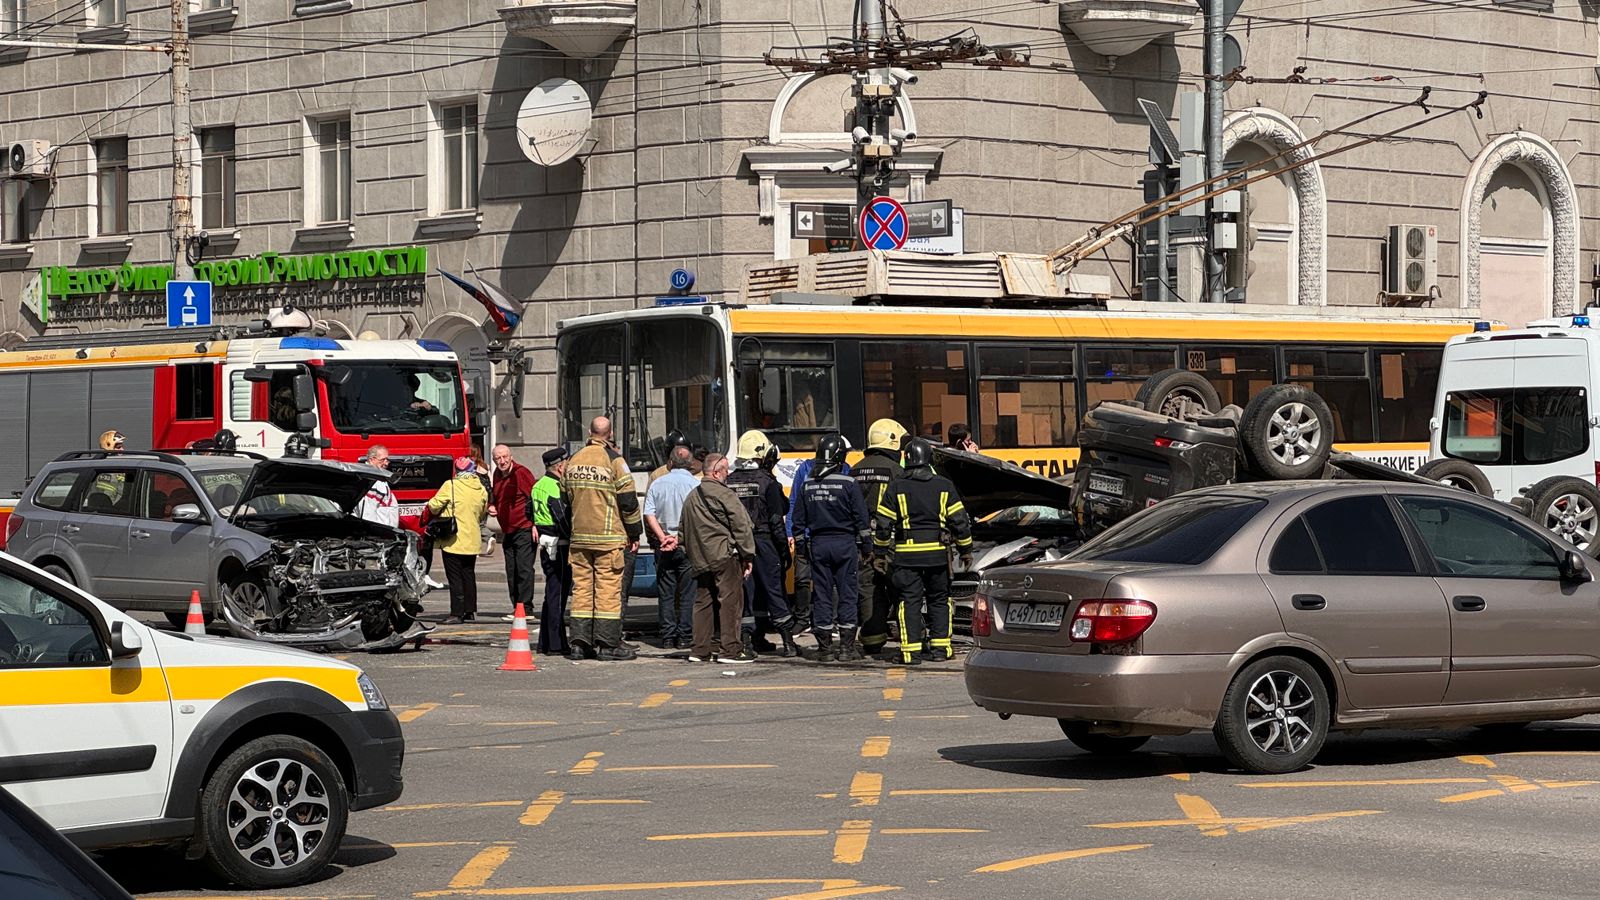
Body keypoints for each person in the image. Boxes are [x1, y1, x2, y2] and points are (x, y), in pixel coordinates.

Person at [874, 437, 974, 665]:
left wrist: (879, 555)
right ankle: (941, 650)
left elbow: (882, 525)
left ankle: (911, 653)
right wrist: (966, 550)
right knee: (940, 600)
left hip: (906, 558)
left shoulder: (896, 486)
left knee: (909, 602)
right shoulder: (944, 486)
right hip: (938, 557)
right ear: (928, 458)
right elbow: (960, 522)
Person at [562, 416, 642, 661]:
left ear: (590, 432)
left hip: (580, 539)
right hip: (608, 540)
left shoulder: (573, 460)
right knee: (607, 591)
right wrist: (634, 532)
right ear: (610, 433)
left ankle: (579, 644)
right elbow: (628, 501)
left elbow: (565, 499)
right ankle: (607, 644)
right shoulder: (614, 460)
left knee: (582, 591)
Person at [792, 434, 870, 662]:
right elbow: (861, 520)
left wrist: (801, 548)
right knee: (847, 594)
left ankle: (825, 648)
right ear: (840, 457)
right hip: (845, 545)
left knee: (822, 595)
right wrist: (867, 548)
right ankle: (846, 648)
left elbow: (797, 522)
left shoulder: (807, 486)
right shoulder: (849, 484)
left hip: (818, 545)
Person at [679, 453, 756, 664]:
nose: (728, 473)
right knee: (730, 602)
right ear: (715, 472)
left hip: (701, 559)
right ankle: (730, 650)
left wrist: (693, 553)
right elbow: (741, 525)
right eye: (725, 470)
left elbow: (682, 531)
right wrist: (747, 554)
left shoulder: (692, 496)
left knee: (703, 603)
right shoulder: (725, 494)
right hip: (724, 556)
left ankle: (699, 650)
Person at [728, 430, 797, 657]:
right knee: (774, 590)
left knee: (747, 593)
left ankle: (749, 642)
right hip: (765, 542)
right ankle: (788, 643)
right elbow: (777, 520)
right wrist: (784, 551)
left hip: (739, 544)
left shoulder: (729, 481)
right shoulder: (768, 482)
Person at [853, 419, 907, 660]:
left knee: (868, 589)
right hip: (892, 542)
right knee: (902, 588)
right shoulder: (896, 471)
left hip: (862, 543)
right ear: (893, 442)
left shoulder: (855, 469)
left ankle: (872, 640)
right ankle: (910, 638)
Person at [787, 447, 849, 633]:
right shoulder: (805, 468)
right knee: (802, 578)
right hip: (806, 534)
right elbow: (794, 500)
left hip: (829, 533)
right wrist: (790, 530)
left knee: (834, 580)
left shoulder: (845, 468)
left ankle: (834, 620)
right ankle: (803, 618)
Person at [643, 445, 699, 649]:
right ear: (691, 464)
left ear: (671, 462)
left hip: (663, 543)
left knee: (666, 593)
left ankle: (667, 637)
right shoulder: (696, 484)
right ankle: (685, 636)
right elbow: (697, 517)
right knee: (687, 593)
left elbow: (648, 513)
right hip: (686, 543)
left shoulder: (658, 483)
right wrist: (678, 537)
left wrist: (663, 537)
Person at [427, 456, 490, 625]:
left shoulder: (451, 485)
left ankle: (456, 612)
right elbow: (483, 512)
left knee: (454, 577)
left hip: (454, 539)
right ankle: (469, 611)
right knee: (468, 575)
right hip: (473, 538)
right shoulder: (480, 487)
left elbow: (433, 505)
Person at [530, 447, 572, 655]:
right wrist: (572, 536)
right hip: (560, 544)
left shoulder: (538, 485)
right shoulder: (555, 487)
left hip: (546, 544)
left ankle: (545, 641)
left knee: (551, 594)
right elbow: (562, 518)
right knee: (558, 596)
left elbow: (529, 511)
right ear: (561, 465)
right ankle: (556, 643)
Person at [490, 444, 538, 623]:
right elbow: (495, 496)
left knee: (524, 568)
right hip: (508, 530)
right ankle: (516, 606)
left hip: (524, 527)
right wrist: (491, 505)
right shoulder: (497, 475)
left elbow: (534, 498)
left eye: (504, 457)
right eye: (498, 459)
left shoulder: (521, 473)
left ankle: (526, 607)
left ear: (511, 457)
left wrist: (535, 524)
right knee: (511, 570)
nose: (501, 461)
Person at [354, 444, 399, 529]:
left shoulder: (378, 477)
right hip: (379, 534)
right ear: (372, 460)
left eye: (387, 460)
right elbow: (368, 514)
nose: (386, 463)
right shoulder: (370, 480)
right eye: (382, 460)